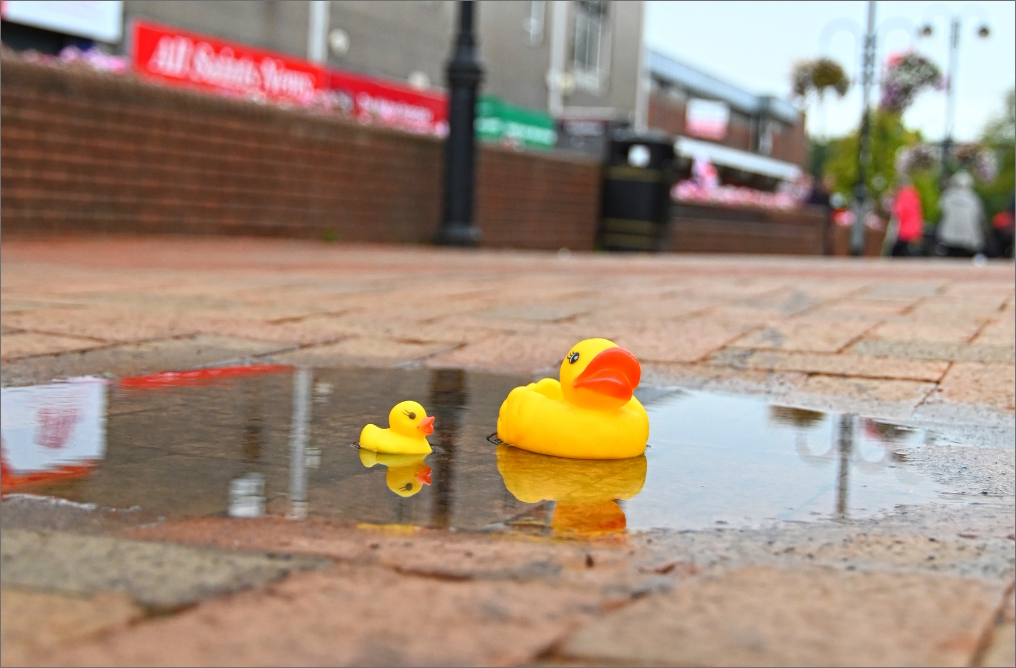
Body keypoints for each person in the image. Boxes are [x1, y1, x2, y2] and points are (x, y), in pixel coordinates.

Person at [936, 172, 985, 258]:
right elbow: (979, 216)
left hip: (949, 237)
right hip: (968, 239)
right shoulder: (973, 198)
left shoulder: (948, 196)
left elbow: (941, 211)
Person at [889, 179, 923, 257]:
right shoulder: (914, 195)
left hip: (905, 227)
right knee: (905, 247)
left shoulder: (904, 196)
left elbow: (900, 211)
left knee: (901, 248)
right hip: (912, 226)